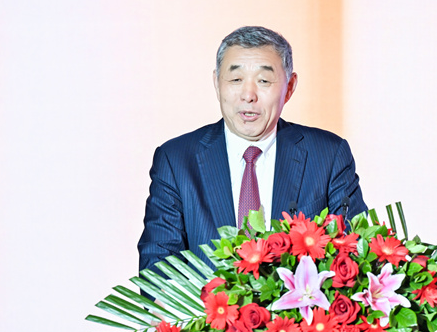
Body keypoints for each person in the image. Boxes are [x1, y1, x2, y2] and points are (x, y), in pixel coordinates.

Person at [138, 26, 367, 280]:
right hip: (204, 306)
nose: (248, 95)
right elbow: (158, 271)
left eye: (264, 81)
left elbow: (357, 254)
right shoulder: (176, 161)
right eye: (236, 80)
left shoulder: (328, 155)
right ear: (216, 83)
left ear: (290, 87)